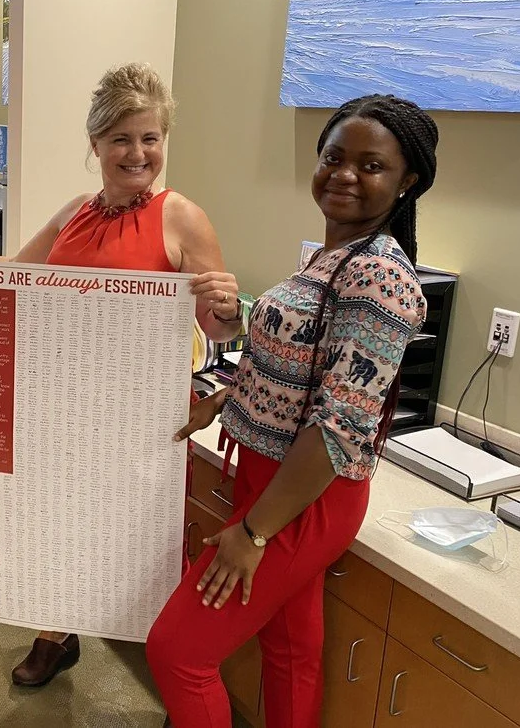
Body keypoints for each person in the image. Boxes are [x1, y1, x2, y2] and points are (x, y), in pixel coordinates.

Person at [0, 62, 243, 688]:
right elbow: (13, 273)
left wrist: (226, 308)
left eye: (150, 138)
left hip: (138, 415)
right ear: (96, 144)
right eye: (120, 139)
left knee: (139, 536)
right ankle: (55, 635)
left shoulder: (182, 218)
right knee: (55, 522)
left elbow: (219, 332)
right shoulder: (75, 212)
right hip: (61, 401)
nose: (137, 153)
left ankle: (172, 664)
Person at [146, 94, 436, 728]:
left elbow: (339, 427)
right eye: (333, 157)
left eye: (371, 165)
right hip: (272, 477)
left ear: (407, 181)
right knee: (289, 647)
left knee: (177, 652)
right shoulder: (334, 257)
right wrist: (227, 397)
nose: (344, 175)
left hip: (303, 497)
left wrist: (253, 534)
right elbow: (302, 368)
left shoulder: (380, 278)